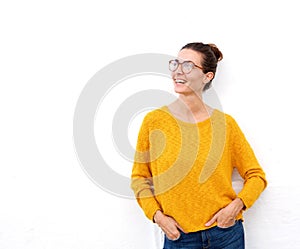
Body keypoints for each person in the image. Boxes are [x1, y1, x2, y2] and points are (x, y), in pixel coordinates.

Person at [131, 42, 267, 249]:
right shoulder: (154, 121)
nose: (178, 70)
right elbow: (139, 178)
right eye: (176, 63)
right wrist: (158, 217)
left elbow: (256, 176)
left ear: (207, 76)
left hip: (225, 235)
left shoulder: (225, 125)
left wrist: (235, 208)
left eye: (188, 66)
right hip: (179, 237)